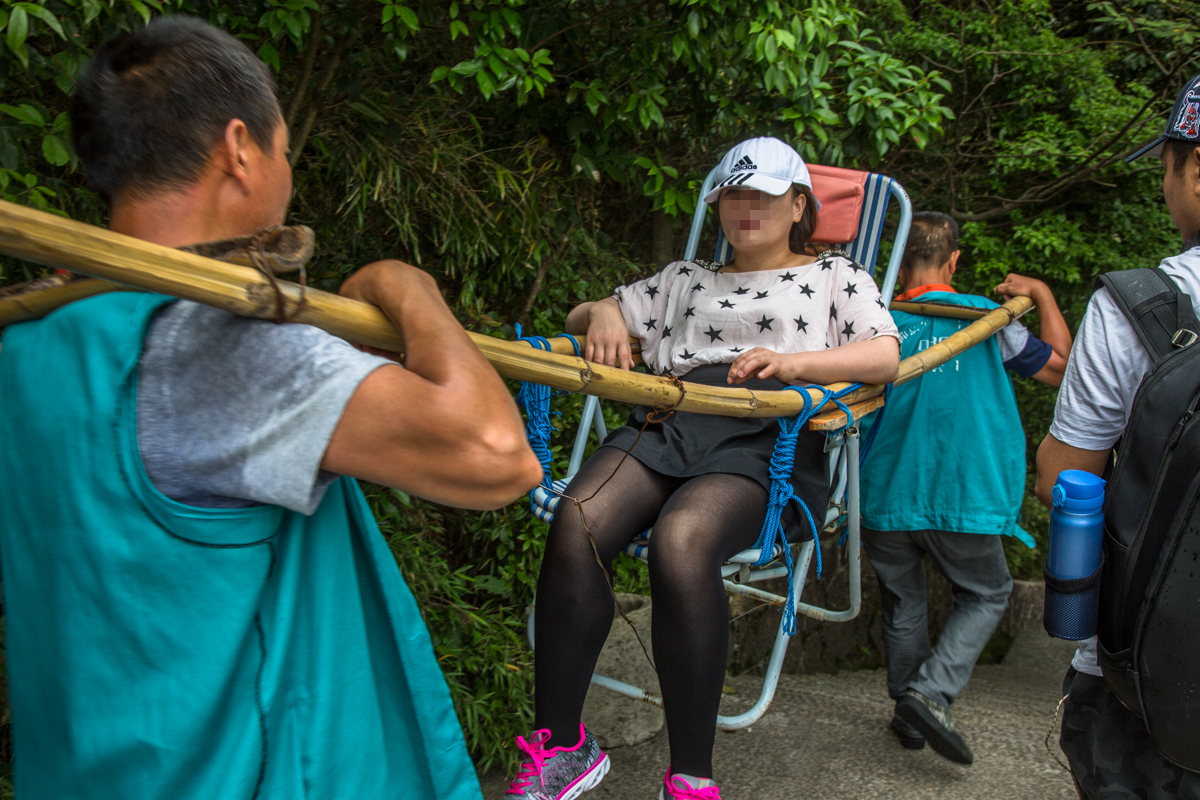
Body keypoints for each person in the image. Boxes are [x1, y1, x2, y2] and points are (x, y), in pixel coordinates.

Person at [0, 17, 544, 800]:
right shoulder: (223, 343)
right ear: (240, 148)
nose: (286, 173)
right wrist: (406, 286)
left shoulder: (39, 339)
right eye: (284, 149)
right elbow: (496, 456)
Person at [505, 137, 901, 800]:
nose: (746, 208)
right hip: (666, 422)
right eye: (733, 195)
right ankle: (563, 748)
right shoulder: (683, 278)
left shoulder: (838, 277)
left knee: (682, 541)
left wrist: (793, 363)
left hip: (763, 442)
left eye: (764, 195)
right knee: (578, 517)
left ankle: (690, 776)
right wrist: (603, 310)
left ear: (798, 202)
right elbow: (589, 315)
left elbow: (883, 357)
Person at [1035, 73, 1200, 799]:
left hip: (1147, 684)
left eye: (1166, 166)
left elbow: (1064, 479)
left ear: (1194, 168)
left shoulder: (1137, 311)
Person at [858, 212, 1071, 765]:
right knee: (987, 592)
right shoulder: (988, 321)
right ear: (954, 262)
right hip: (962, 491)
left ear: (897, 262)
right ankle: (929, 696)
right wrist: (1042, 294)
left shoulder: (876, 320)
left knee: (903, 602)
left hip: (883, 489)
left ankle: (908, 711)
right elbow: (1064, 368)